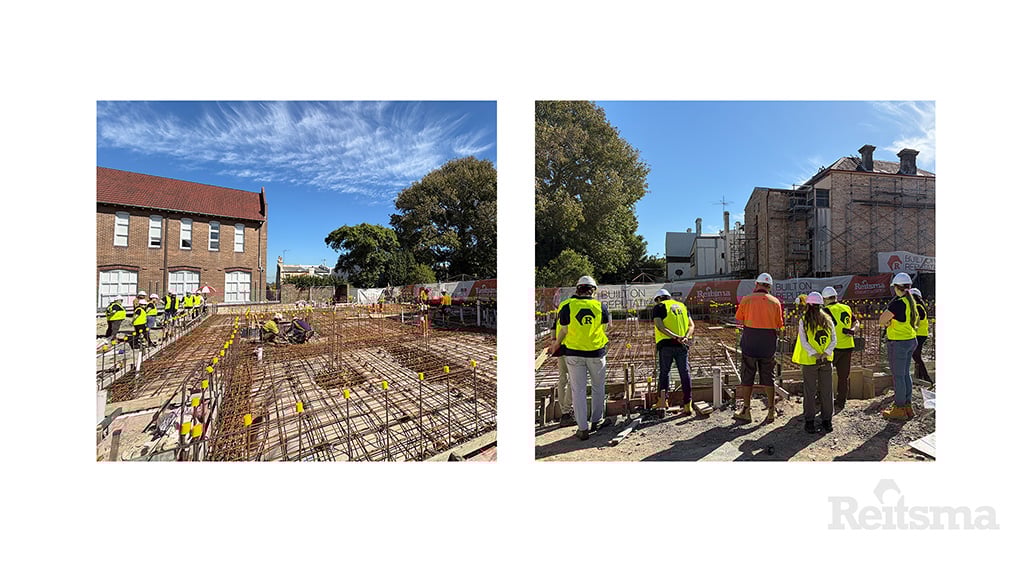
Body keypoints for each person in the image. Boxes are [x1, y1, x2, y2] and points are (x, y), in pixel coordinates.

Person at [547, 275, 611, 440]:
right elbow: (604, 328)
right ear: (593, 290)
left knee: (578, 390)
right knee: (598, 387)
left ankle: (582, 429)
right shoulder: (601, 306)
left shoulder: (567, 305)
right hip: (596, 353)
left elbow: (564, 329)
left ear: (577, 289)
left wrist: (556, 344)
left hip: (574, 353)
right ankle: (597, 420)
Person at [733, 273, 784, 423]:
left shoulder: (746, 299)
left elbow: (739, 318)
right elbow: (779, 324)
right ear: (769, 287)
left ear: (756, 284)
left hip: (750, 342)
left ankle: (746, 410)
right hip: (768, 343)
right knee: (768, 376)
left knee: (747, 376)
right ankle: (771, 411)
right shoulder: (775, 302)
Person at [878, 273, 919, 420]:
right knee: (905, 374)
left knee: (898, 376)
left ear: (896, 287)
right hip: (910, 340)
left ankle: (899, 408)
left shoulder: (897, 303)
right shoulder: (910, 301)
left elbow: (881, 320)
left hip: (899, 343)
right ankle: (907, 406)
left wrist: (888, 323)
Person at [796, 292, 837, 433]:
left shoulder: (804, 320)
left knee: (810, 391)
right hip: (826, 360)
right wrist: (825, 353)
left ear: (808, 305)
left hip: (810, 361)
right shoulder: (828, 319)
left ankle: (810, 422)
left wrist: (814, 353)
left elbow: (803, 341)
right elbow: (834, 340)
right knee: (827, 391)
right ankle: (827, 421)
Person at [652, 289, 695, 415]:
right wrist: (685, 337)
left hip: (666, 345)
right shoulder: (682, 306)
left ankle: (663, 401)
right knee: (685, 373)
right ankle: (688, 404)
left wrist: (675, 337)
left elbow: (660, 326)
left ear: (659, 299)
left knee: (664, 373)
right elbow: (691, 325)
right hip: (682, 345)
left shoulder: (659, 307)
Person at [822, 286, 859, 410]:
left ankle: (823, 399)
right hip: (847, 346)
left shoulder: (825, 310)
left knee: (825, 375)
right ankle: (841, 401)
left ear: (825, 299)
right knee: (843, 376)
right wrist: (852, 330)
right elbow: (856, 322)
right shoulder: (846, 308)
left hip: (833, 348)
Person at [551, 295, 575, 427]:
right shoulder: (575, 307)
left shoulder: (562, 307)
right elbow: (566, 329)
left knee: (562, 379)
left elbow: (554, 326)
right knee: (573, 380)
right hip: (571, 347)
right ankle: (567, 410)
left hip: (560, 348)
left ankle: (564, 410)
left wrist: (554, 342)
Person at [910, 288, 932, 383]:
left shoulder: (918, 307)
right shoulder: (920, 306)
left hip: (918, 334)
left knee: (916, 356)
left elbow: (916, 321)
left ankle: (926, 378)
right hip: (921, 334)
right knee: (916, 356)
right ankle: (920, 376)